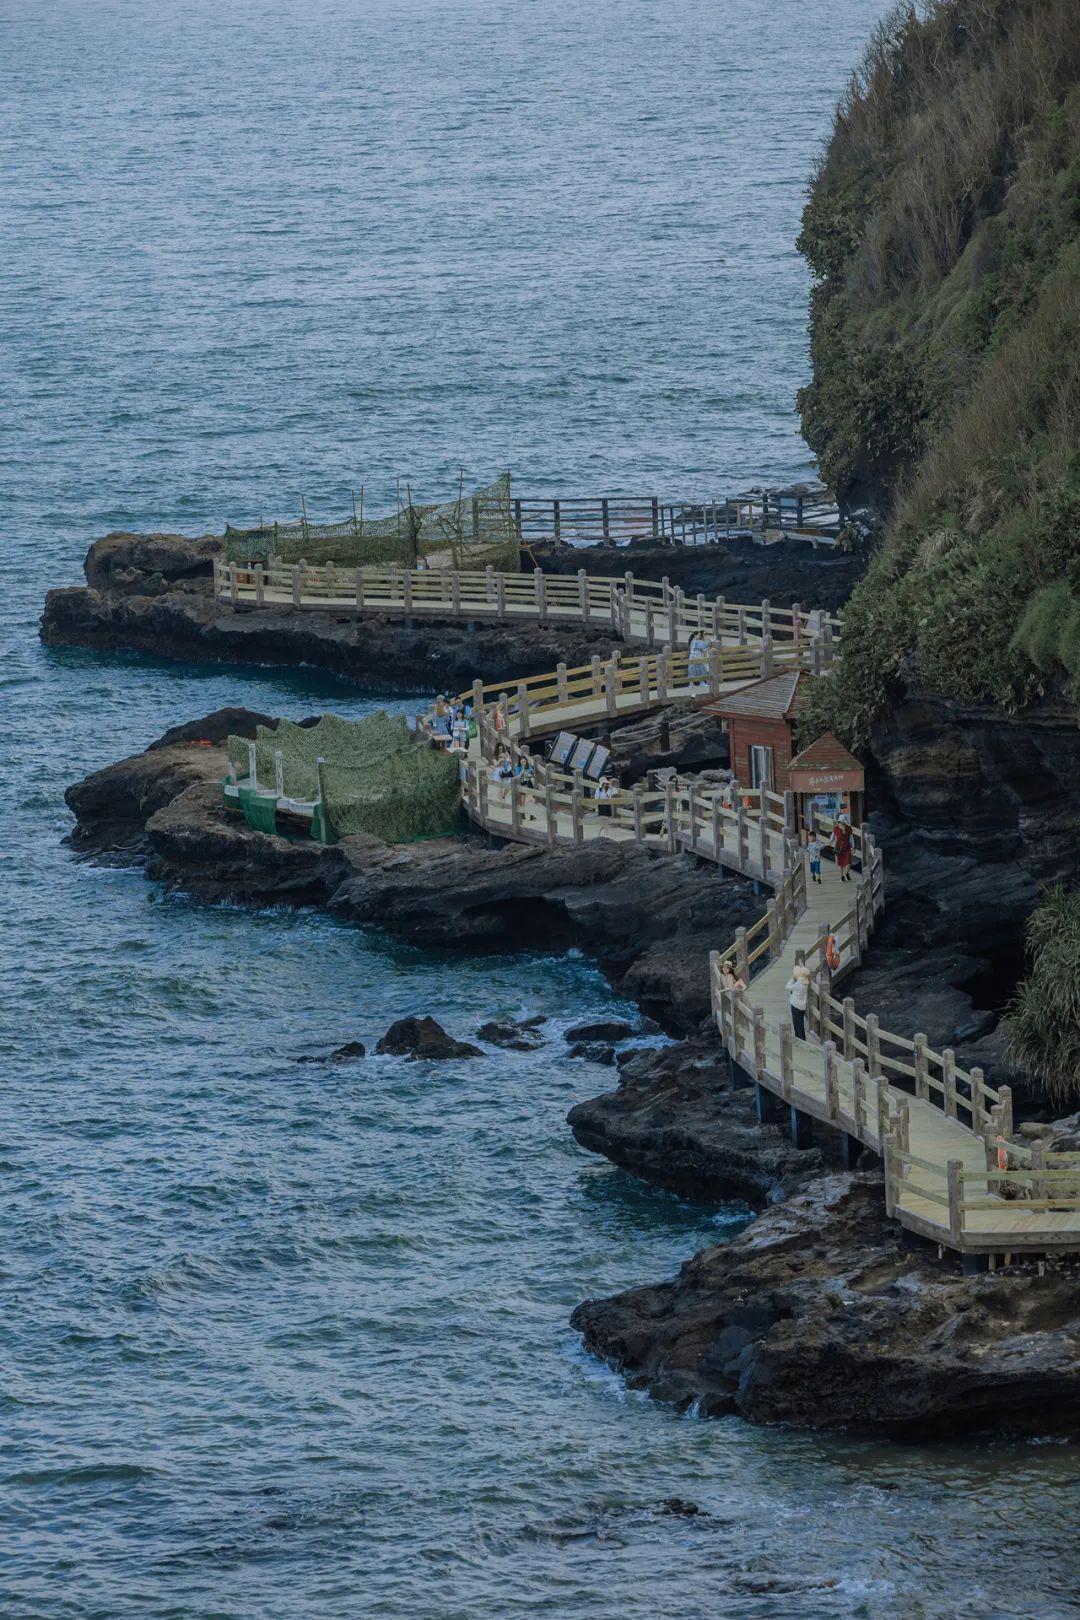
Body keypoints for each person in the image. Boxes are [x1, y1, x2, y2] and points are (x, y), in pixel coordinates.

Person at [786, 960, 811, 1040]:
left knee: (797, 1025)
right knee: (800, 1023)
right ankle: (802, 1038)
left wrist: (792, 978)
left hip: (795, 1006)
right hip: (802, 1006)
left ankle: (800, 1039)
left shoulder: (798, 984)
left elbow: (788, 987)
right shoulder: (805, 982)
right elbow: (804, 971)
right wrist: (802, 966)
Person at [832, 815, 853, 883]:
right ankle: (841, 876)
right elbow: (833, 836)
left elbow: (851, 838)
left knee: (849, 862)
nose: (841, 823)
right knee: (840, 863)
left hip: (847, 847)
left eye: (842, 822)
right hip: (839, 848)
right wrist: (830, 841)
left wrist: (853, 847)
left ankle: (846, 873)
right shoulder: (836, 828)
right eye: (840, 822)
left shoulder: (849, 828)